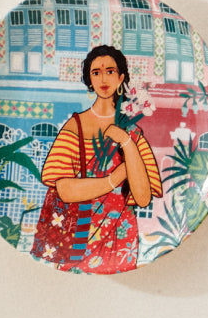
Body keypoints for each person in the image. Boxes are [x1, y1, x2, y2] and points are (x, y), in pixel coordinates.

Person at [31, 45, 162, 273]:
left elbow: (142, 198)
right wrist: (114, 179)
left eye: (110, 71)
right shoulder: (76, 126)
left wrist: (126, 142)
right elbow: (65, 190)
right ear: (89, 80)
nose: (103, 78)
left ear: (121, 77)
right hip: (79, 233)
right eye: (96, 72)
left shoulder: (131, 132)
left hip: (120, 236)